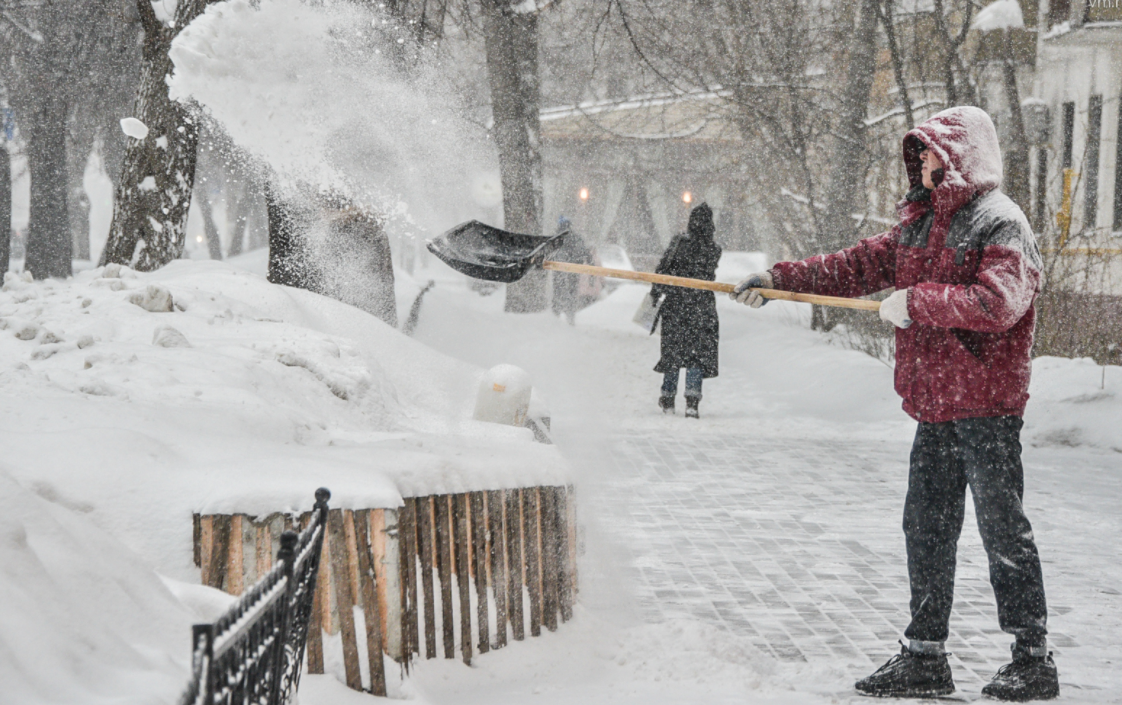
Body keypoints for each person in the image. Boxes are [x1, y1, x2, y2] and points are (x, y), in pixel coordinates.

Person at [731, 106, 1058, 701]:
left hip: (986, 407)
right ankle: (925, 657)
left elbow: (998, 305)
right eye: (921, 151)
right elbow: (855, 266)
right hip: (936, 405)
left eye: (931, 150)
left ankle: (1033, 659)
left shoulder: (1002, 223)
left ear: (960, 157)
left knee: (1002, 530)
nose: (923, 159)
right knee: (926, 528)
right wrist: (780, 281)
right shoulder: (920, 225)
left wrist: (917, 301)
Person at [652, 202, 721, 419]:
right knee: (696, 355)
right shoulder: (714, 249)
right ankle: (692, 402)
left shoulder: (678, 243)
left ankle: (668, 398)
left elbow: (663, 270)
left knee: (672, 352)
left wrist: (656, 291)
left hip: (676, 305)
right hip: (702, 308)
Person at [551, 216, 598, 325]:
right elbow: (587, 255)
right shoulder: (577, 238)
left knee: (558, 293)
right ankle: (570, 317)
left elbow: (548, 255)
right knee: (571, 293)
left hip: (559, 271)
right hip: (573, 271)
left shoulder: (555, 239)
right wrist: (591, 275)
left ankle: (555, 317)